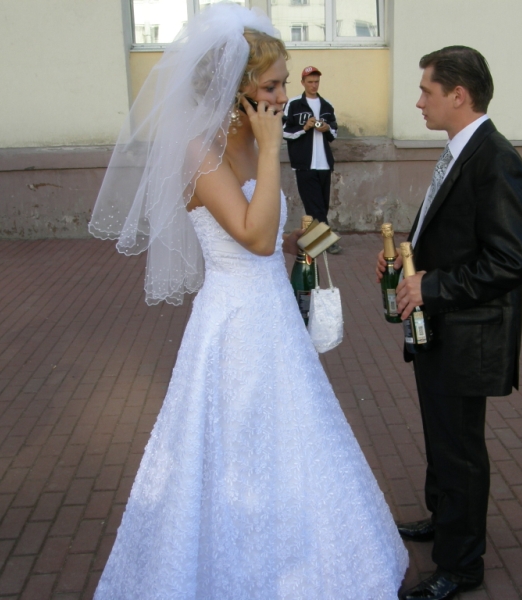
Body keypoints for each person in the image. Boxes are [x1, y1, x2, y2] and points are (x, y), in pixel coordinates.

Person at [90, 4, 407, 598]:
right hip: (235, 324)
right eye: (272, 86)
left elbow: (263, 236)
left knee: (294, 438)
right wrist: (268, 151)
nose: (284, 96)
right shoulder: (200, 151)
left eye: (284, 84)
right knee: (237, 449)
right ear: (235, 91)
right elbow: (252, 238)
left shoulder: (250, 139)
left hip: (273, 312)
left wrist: (298, 240)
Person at [375, 46, 522, 600]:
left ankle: (462, 565)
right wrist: (403, 261)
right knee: (442, 438)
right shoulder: (459, 150)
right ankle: (444, 518)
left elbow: (515, 258)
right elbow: (445, 234)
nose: (419, 101)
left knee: (461, 451)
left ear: (458, 95)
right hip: (441, 329)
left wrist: (433, 286)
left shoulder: (496, 159)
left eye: (427, 91)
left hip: (469, 336)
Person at [283, 65, 343, 254]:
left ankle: (313, 239)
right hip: (304, 164)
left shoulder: (327, 105)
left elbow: (334, 132)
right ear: (303, 83)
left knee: (321, 205)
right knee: (314, 204)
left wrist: (326, 128)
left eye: (316, 82)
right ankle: (327, 241)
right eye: (310, 82)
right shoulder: (293, 104)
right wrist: (305, 128)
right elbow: (285, 132)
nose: (314, 85)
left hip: (324, 163)